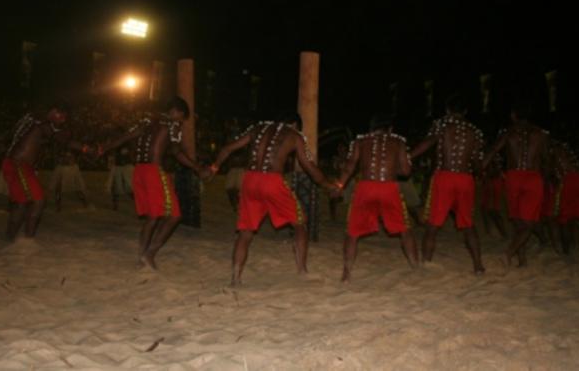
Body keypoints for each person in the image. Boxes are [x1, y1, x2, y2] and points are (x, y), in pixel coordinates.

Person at [211, 113, 336, 286]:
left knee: (245, 232)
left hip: (249, 180)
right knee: (300, 222)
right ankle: (302, 270)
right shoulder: (294, 135)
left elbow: (227, 149)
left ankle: (235, 278)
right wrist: (328, 185)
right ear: (294, 124)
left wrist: (214, 167)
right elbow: (309, 166)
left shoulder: (257, 129)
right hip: (272, 181)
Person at [102, 97, 209, 270]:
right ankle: (149, 253)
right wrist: (197, 168)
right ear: (178, 112)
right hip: (154, 172)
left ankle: (142, 255)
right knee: (174, 216)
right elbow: (176, 151)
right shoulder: (172, 124)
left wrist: (104, 148)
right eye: (182, 118)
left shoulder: (147, 120)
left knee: (152, 217)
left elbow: (126, 136)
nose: (181, 122)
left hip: (139, 171)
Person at [336, 113, 418, 282]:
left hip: (366, 187)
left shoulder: (360, 141)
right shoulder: (399, 142)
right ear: (390, 129)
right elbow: (407, 171)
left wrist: (339, 186)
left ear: (371, 128)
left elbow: (350, 166)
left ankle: (346, 273)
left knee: (352, 233)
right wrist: (390, 170)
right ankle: (415, 266)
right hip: (389, 188)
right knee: (405, 229)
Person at [411, 94, 486, 274]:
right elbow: (477, 161)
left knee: (433, 224)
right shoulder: (474, 131)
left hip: (444, 177)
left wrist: (408, 157)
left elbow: (427, 143)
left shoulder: (442, 125)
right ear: (465, 111)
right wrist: (480, 173)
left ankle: (427, 262)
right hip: (465, 178)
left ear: (447, 109)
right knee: (468, 224)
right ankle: (478, 265)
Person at [2, 102, 91, 240]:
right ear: (54, 111)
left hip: (17, 165)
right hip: (19, 165)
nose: (63, 120)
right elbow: (63, 141)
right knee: (38, 200)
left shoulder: (32, 119)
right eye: (62, 116)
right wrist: (86, 148)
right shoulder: (42, 122)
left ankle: (11, 238)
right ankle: (27, 239)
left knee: (22, 203)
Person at [483, 101, 549, 267]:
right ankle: (516, 257)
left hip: (513, 177)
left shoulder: (509, 133)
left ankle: (517, 257)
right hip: (533, 177)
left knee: (518, 221)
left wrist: (479, 167)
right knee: (527, 222)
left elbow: (492, 151)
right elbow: (546, 159)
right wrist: (546, 180)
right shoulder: (541, 134)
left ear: (513, 115)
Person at [550, 140, 579, 254]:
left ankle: (566, 250)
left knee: (564, 219)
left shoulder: (555, 154)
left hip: (569, 181)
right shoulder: (570, 155)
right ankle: (576, 245)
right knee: (575, 217)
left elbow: (556, 173)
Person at [479, 149, 508, 239]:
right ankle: (489, 231)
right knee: (484, 208)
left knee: (494, 210)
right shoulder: (485, 154)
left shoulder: (495, 155)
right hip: (489, 182)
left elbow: (497, 171)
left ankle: (503, 234)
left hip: (496, 182)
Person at [106, 143, 134, 210]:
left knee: (129, 187)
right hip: (118, 167)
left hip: (126, 167)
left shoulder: (127, 144)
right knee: (116, 187)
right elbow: (112, 156)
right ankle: (115, 204)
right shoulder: (116, 146)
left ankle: (140, 204)